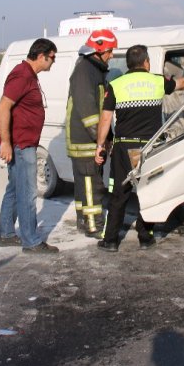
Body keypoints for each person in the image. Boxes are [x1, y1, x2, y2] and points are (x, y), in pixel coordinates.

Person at [94, 44, 184, 252]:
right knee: (149, 192)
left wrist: (100, 146)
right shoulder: (157, 81)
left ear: (128, 64)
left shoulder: (116, 84)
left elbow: (105, 119)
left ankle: (111, 240)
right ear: (146, 62)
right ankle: (145, 237)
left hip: (124, 148)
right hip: (150, 148)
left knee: (118, 195)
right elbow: (183, 83)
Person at [0, 38, 60, 254]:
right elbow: (3, 107)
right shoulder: (22, 74)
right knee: (28, 193)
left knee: (15, 189)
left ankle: (6, 233)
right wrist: (5, 142)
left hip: (21, 143)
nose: (53, 62)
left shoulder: (28, 74)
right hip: (21, 145)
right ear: (41, 56)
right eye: (52, 58)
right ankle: (31, 241)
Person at [66, 29, 118, 238]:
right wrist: (101, 141)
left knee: (83, 185)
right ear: (98, 50)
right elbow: (89, 112)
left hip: (87, 139)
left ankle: (83, 222)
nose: (112, 55)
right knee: (91, 185)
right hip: (85, 141)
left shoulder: (92, 69)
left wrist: (107, 137)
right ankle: (93, 226)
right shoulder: (85, 71)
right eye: (110, 51)